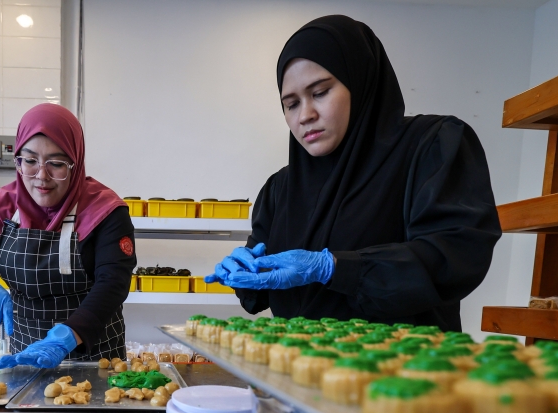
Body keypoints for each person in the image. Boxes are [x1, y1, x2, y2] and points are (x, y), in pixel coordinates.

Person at [206, 15, 501, 330]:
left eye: (320, 92)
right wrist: (244, 273)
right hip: (296, 370)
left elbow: (455, 257)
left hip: (403, 370)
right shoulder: (281, 189)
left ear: (360, 83)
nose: (305, 115)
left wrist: (333, 267)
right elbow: (258, 296)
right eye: (291, 104)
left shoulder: (430, 146)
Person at [0, 104, 136, 368]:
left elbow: (113, 282)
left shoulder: (105, 210)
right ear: (18, 161)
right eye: (30, 161)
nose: (41, 177)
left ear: (75, 162)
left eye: (56, 164)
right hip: (25, 356)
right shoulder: (1, 207)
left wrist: (68, 336)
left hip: (97, 357)